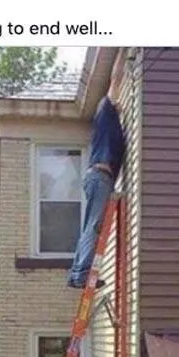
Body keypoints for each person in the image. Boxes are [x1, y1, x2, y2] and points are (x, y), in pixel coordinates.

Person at [67, 53, 126, 289]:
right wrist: (123, 50)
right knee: (93, 226)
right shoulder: (106, 108)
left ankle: (76, 273)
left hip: (97, 177)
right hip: (100, 177)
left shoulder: (108, 121)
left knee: (89, 226)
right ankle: (81, 274)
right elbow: (116, 78)